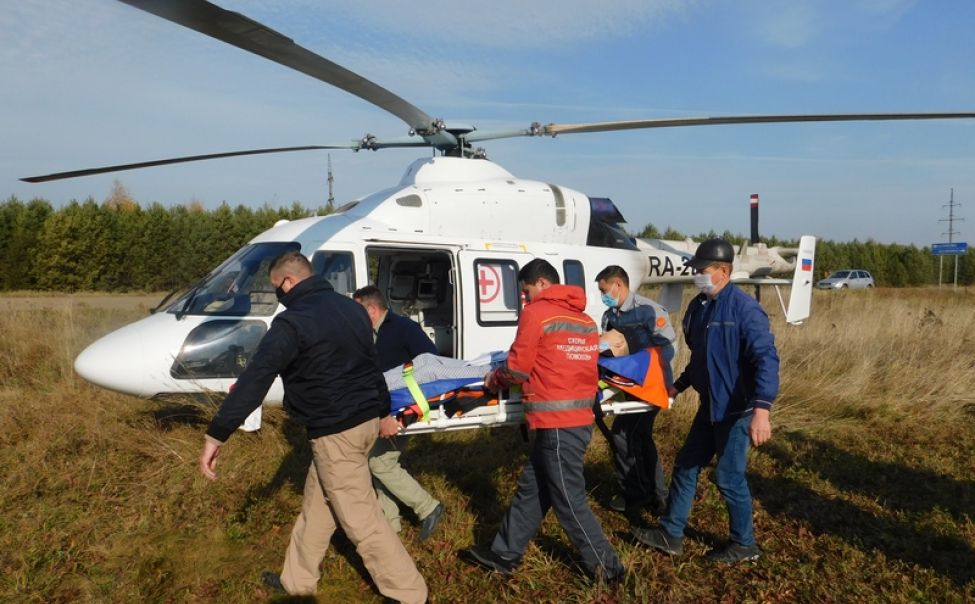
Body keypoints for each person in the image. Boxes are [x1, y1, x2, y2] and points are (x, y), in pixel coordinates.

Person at [198, 251, 427, 602]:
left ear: (288, 282)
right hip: (363, 423)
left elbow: (256, 378)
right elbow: (372, 366)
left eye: (277, 288)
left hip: (337, 431)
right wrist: (381, 413)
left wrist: (217, 434)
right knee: (317, 505)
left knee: (361, 521)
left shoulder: (293, 323)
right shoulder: (353, 309)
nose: (279, 295)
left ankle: (411, 594)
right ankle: (297, 582)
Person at [463, 259, 625, 582]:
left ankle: (609, 568)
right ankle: (504, 553)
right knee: (532, 487)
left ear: (540, 283)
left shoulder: (536, 314)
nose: (524, 298)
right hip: (577, 418)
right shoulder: (585, 321)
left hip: (556, 422)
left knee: (567, 497)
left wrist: (494, 379)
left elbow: (518, 368)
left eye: (525, 291)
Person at [632, 238, 779, 564]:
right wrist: (679, 385)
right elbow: (701, 359)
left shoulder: (744, 310)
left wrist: (762, 410)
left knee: (728, 478)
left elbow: (766, 359)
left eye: (703, 270)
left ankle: (745, 544)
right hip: (709, 406)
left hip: (736, 410)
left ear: (723, 271)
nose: (697, 274)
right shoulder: (699, 308)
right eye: (696, 269)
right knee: (686, 466)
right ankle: (671, 533)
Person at [353, 285, 445, 542]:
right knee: (377, 461)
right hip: (380, 409)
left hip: (403, 410)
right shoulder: (369, 333)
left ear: (371, 309)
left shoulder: (404, 329)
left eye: (357, 310)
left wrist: (412, 405)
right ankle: (390, 526)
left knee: (379, 462)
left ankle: (428, 508)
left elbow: (432, 364)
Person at [595, 265, 677, 515]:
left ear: (618, 285)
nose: (602, 295)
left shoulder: (648, 310)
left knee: (624, 433)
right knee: (638, 436)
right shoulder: (610, 316)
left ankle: (638, 493)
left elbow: (668, 348)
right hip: (626, 386)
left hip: (651, 386)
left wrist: (663, 383)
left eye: (604, 290)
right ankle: (653, 494)